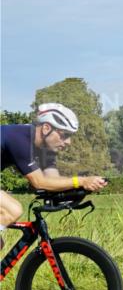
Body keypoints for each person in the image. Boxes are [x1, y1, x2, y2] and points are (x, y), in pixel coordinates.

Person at [1, 103, 108, 244]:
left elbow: (52, 179)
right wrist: (81, 181)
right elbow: (39, 182)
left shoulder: (46, 149)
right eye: (65, 135)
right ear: (46, 128)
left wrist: (84, 186)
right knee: (12, 210)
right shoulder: (20, 139)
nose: (68, 142)